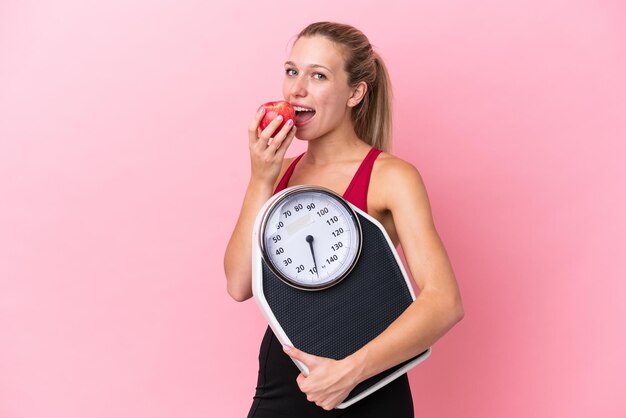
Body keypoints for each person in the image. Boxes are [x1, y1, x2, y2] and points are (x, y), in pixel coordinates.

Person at [224, 21, 464, 417]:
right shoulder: (277, 172)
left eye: (318, 75)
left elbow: (444, 301)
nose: (297, 88)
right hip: (287, 383)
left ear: (355, 92)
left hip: (371, 384)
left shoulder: (391, 177)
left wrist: (349, 373)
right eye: (291, 71)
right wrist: (261, 178)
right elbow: (238, 284)